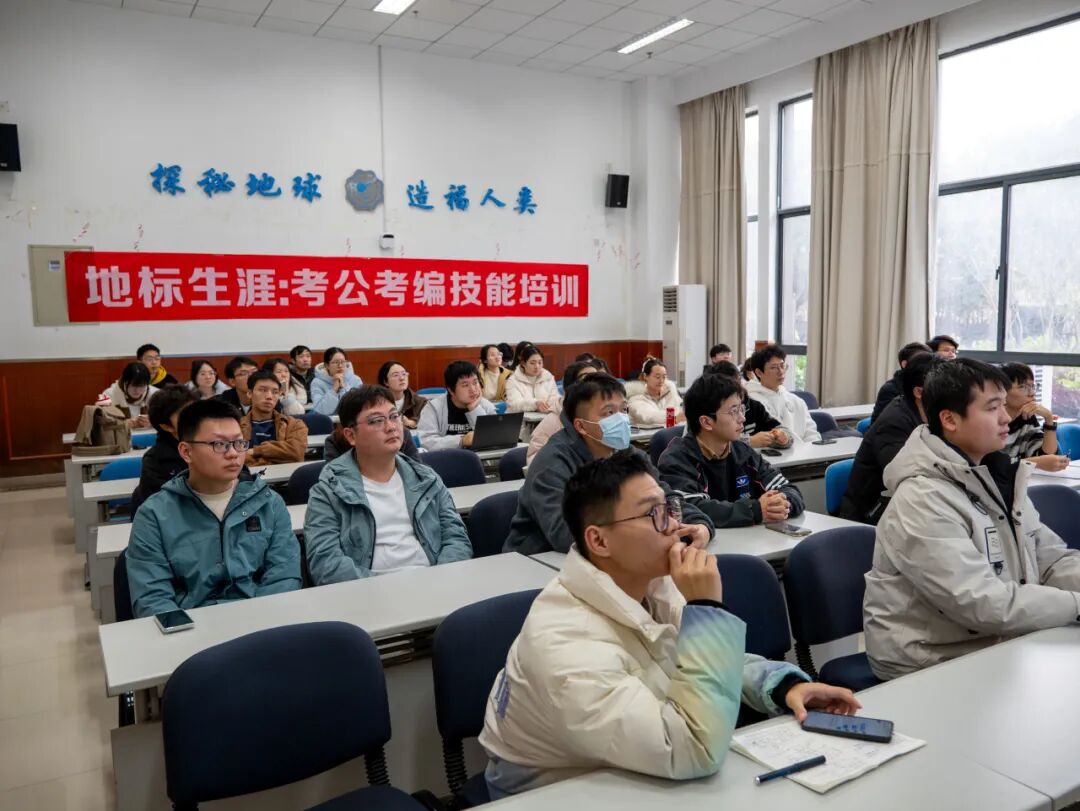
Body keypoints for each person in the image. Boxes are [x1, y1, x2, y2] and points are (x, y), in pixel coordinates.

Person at [480, 451, 860, 799]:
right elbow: (694, 748)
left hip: (629, 765)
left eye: (669, 508)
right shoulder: (565, 647)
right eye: (653, 514)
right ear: (599, 540)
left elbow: (697, 662)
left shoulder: (648, 582)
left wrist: (782, 685)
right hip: (555, 793)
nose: (675, 525)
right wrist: (706, 609)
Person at [863, 358, 1080, 681]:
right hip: (930, 660)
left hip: (995, 640)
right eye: (992, 408)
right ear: (949, 419)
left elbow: (1050, 559)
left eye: (1004, 405)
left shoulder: (999, 476)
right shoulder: (921, 498)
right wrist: (1076, 604)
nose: (1006, 417)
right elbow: (980, 602)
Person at [125, 398, 301, 618]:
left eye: (239, 443)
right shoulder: (154, 515)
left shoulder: (269, 503)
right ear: (186, 452)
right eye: (219, 444)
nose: (233, 453)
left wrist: (259, 621)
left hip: (262, 623)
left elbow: (284, 576)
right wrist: (192, 633)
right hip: (192, 628)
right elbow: (152, 598)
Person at [504, 373, 714, 556]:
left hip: (613, 554)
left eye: (623, 410)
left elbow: (667, 498)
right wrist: (645, 532)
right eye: (609, 413)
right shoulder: (552, 462)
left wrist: (701, 524)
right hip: (539, 560)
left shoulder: (629, 454)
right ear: (581, 426)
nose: (621, 419)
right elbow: (563, 534)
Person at [303, 386, 472, 583]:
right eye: (376, 420)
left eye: (394, 416)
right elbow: (326, 564)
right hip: (367, 592)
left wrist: (440, 578)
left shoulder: (426, 479)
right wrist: (385, 589)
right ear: (351, 436)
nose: (391, 427)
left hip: (436, 583)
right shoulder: (328, 491)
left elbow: (456, 538)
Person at [658, 374, 803, 528]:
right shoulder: (677, 459)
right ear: (706, 422)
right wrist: (755, 510)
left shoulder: (743, 452)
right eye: (734, 411)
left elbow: (790, 490)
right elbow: (689, 510)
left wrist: (781, 505)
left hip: (749, 539)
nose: (742, 418)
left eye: (741, 409)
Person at [838, 352, 941, 524]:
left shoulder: (930, 414)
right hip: (873, 513)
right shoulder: (894, 423)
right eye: (942, 386)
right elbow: (906, 475)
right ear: (918, 392)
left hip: (906, 505)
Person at [131, 384, 198, 514]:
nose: (196, 419)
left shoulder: (214, 445)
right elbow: (164, 507)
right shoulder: (155, 461)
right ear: (167, 426)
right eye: (185, 415)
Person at [703, 361, 791, 449]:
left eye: (738, 380)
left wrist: (782, 437)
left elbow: (779, 428)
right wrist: (749, 442)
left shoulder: (754, 406)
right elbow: (709, 441)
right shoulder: (709, 411)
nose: (742, 418)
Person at [526, 360, 598, 465]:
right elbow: (535, 461)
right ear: (571, 387)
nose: (597, 384)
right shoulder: (552, 422)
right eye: (588, 379)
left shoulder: (602, 416)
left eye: (598, 378)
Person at [744, 345, 821, 443]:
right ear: (759, 372)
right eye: (773, 367)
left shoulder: (796, 400)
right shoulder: (752, 402)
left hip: (806, 451)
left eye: (782, 366)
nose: (781, 372)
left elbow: (811, 432)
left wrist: (811, 449)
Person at [1000, 362, 1069, 472]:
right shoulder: (990, 422)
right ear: (1002, 391)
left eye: (1032, 386)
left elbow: (1047, 458)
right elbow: (991, 467)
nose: (1031, 393)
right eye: (1022, 387)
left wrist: (1049, 419)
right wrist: (1037, 462)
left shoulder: (1027, 418)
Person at [416, 361, 497, 450]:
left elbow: (493, 438)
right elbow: (427, 442)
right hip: (447, 457)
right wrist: (462, 440)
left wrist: (474, 409)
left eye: (475, 382)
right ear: (451, 390)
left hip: (481, 458)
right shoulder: (433, 408)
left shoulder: (487, 406)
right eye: (465, 385)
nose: (473, 389)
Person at [239, 370, 308, 465]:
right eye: (263, 390)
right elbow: (235, 458)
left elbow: (297, 453)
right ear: (250, 393)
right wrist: (276, 456)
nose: (269, 396)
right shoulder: (236, 426)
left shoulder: (294, 425)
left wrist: (256, 451)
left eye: (275, 392)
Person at [871, 342, 931, 423]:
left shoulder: (929, 384)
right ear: (905, 364)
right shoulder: (890, 389)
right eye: (922, 362)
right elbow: (883, 423)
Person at [626, 357, 684, 428]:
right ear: (645, 376)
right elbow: (649, 417)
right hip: (645, 434)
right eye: (657, 377)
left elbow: (680, 409)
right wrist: (674, 419)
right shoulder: (635, 397)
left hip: (670, 431)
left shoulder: (670, 391)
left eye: (664, 377)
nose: (661, 381)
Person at [97, 362, 158, 428]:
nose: (137, 391)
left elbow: (164, 421)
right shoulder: (106, 395)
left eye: (142, 386)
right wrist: (124, 424)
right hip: (119, 434)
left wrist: (152, 422)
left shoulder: (155, 394)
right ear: (125, 382)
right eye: (133, 386)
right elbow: (98, 420)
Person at [310, 347, 363, 416]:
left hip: (351, 418)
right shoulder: (317, 382)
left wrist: (343, 388)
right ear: (327, 365)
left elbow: (359, 406)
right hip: (328, 420)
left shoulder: (355, 379)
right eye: (336, 362)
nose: (340, 366)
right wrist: (334, 389)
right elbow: (321, 410)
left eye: (343, 362)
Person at [505, 346, 560, 413]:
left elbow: (554, 398)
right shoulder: (513, 380)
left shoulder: (548, 377)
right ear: (523, 363)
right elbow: (514, 404)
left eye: (540, 362)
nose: (537, 366)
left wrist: (557, 402)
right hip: (520, 418)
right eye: (532, 363)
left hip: (544, 416)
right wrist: (535, 403)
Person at [377, 360, 427, 430]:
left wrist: (412, 422)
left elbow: (428, 422)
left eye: (404, 374)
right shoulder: (377, 403)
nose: (402, 378)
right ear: (385, 382)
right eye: (396, 375)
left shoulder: (420, 402)